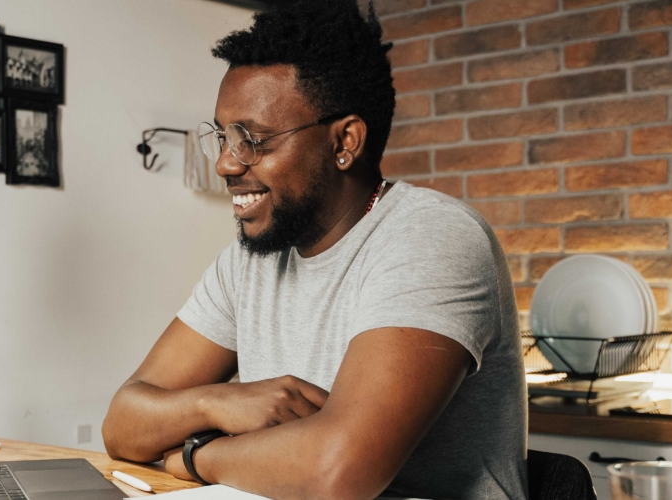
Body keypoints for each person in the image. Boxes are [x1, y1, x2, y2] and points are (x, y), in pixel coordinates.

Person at [101, 1, 528, 499]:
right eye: (222, 137)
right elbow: (123, 422)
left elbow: (337, 471)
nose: (224, 164)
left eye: (252, 141)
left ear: (344, 141)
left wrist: (197, 455)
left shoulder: (432, 238)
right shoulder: (248, 263)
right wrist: (216, 406)